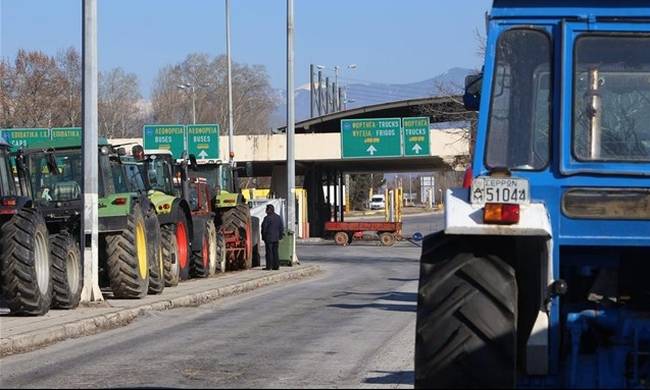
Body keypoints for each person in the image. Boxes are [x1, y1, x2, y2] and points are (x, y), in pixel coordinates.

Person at [261, 204, 284, 270]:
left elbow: (264, 228)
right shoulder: (278, 217)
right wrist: (280, 236)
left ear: (269, 210)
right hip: (276, 238)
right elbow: (281, 227)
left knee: (269, 252)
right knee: (275, 252)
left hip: (269, 238)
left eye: (266, 209)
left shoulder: (267, 218)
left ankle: (269, 266)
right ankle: (276, 266)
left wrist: (263, 237)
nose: (265, 211)